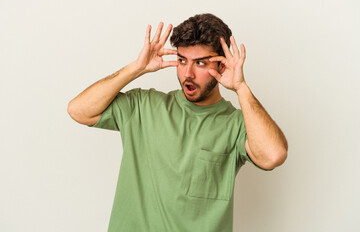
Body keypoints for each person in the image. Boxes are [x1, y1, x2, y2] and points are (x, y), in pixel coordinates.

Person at [67, 13, 288, 232]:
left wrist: (241, 88)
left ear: (222, 67)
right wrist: (136, 68)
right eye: (182, 61)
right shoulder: (143, 106)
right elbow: (78, 110)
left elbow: (273, 155)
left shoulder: (236, 124)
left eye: (200, 63)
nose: (187, 73)